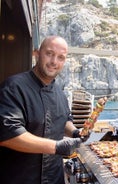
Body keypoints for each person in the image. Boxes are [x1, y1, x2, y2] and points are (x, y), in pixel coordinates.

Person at [0, 36, 85, 184]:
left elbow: (63, 119)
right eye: (49, 53)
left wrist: (75, 132)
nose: (54, 62)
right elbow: (8, 135)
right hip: (21, 177)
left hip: (54, 177)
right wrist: (56, 146)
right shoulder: (14, 87)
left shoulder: (60, 93)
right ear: (37, 54)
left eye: (60, 57)